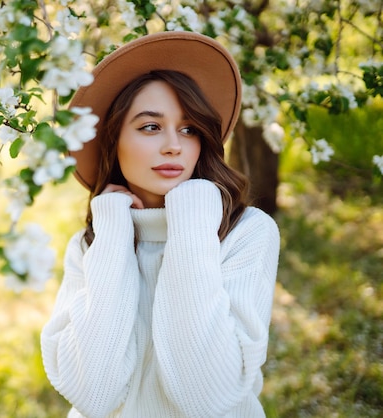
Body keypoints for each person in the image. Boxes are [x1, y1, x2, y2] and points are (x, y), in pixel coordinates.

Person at [40, 31, 281, 418]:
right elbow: (93, 394)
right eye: (151, 127)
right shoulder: (89, 244)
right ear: (112, 140)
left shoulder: (247, 233)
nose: (174, 145)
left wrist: (192, 215)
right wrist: (115, 233)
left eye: (188, 129)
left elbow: (207, 398)